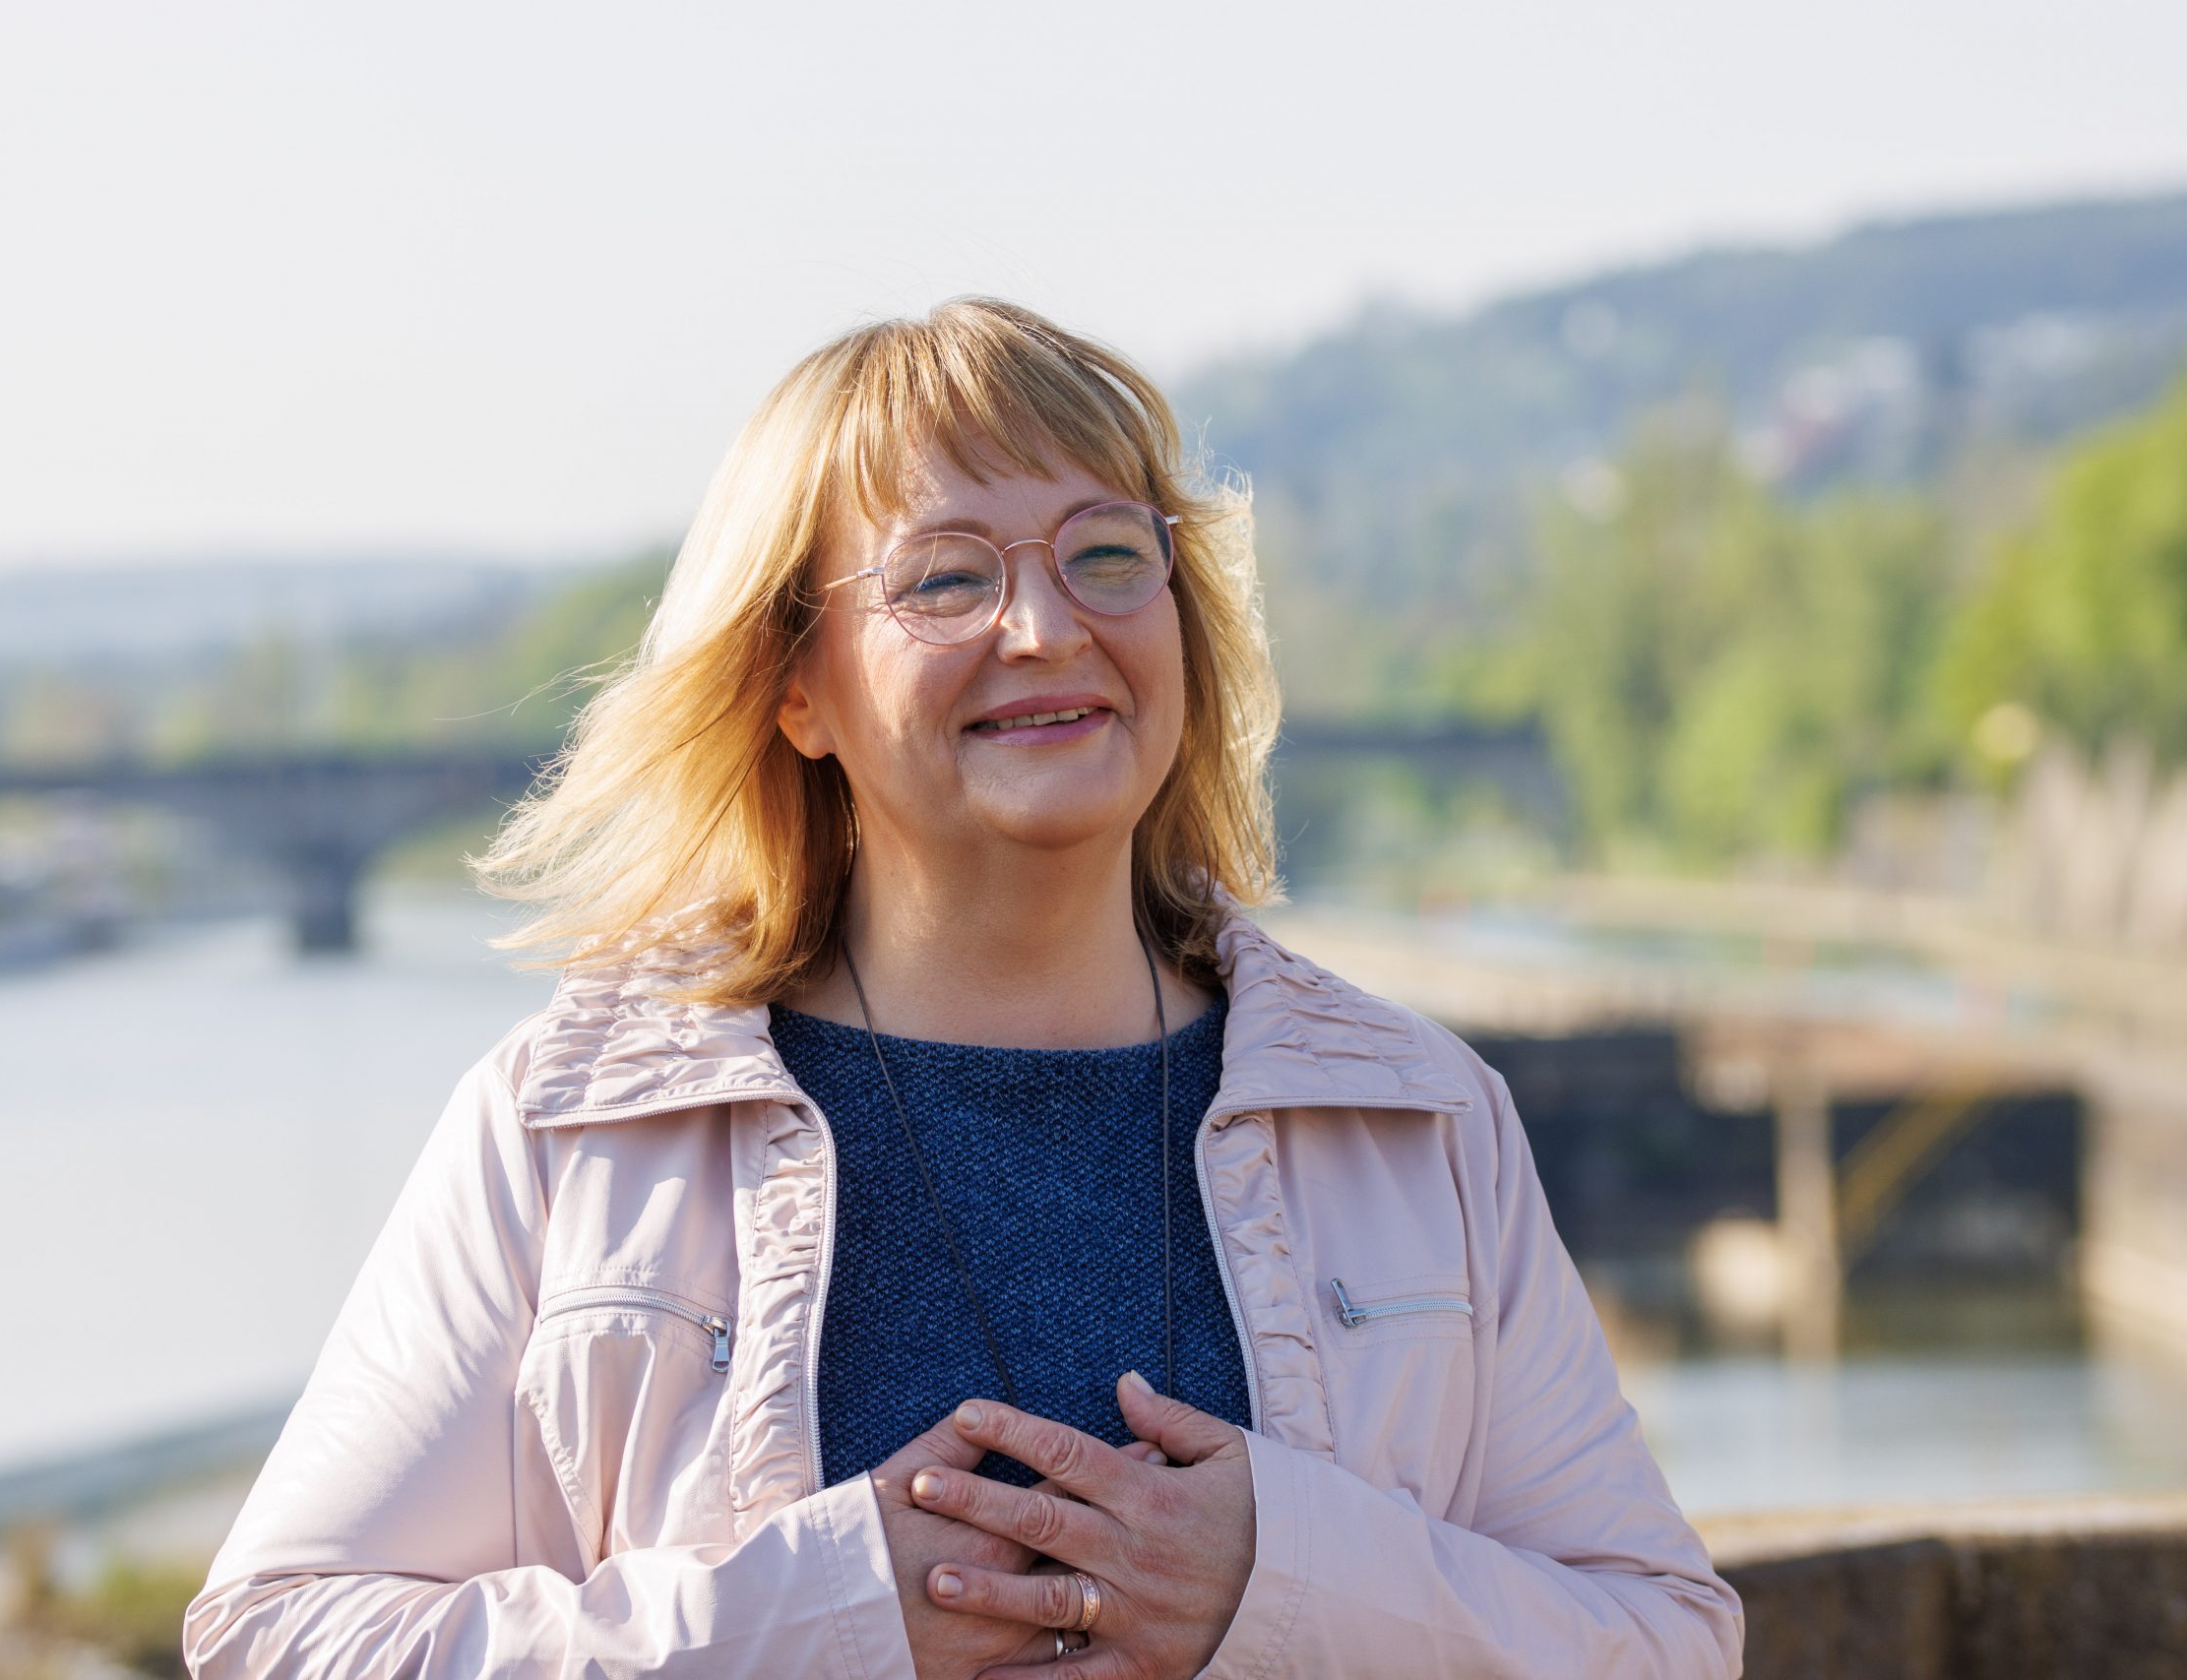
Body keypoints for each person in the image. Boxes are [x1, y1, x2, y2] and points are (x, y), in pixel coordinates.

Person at [183, 297, 1744, 1679]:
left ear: (1185, 633)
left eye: (1108, 555)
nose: (1049, 625)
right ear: (795, 687)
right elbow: (286, 1640)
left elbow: (1667, 1644)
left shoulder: (1415, 1115)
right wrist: (831, 1622)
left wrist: (1279, 1591)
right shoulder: (570, 1126)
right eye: (944, 579)